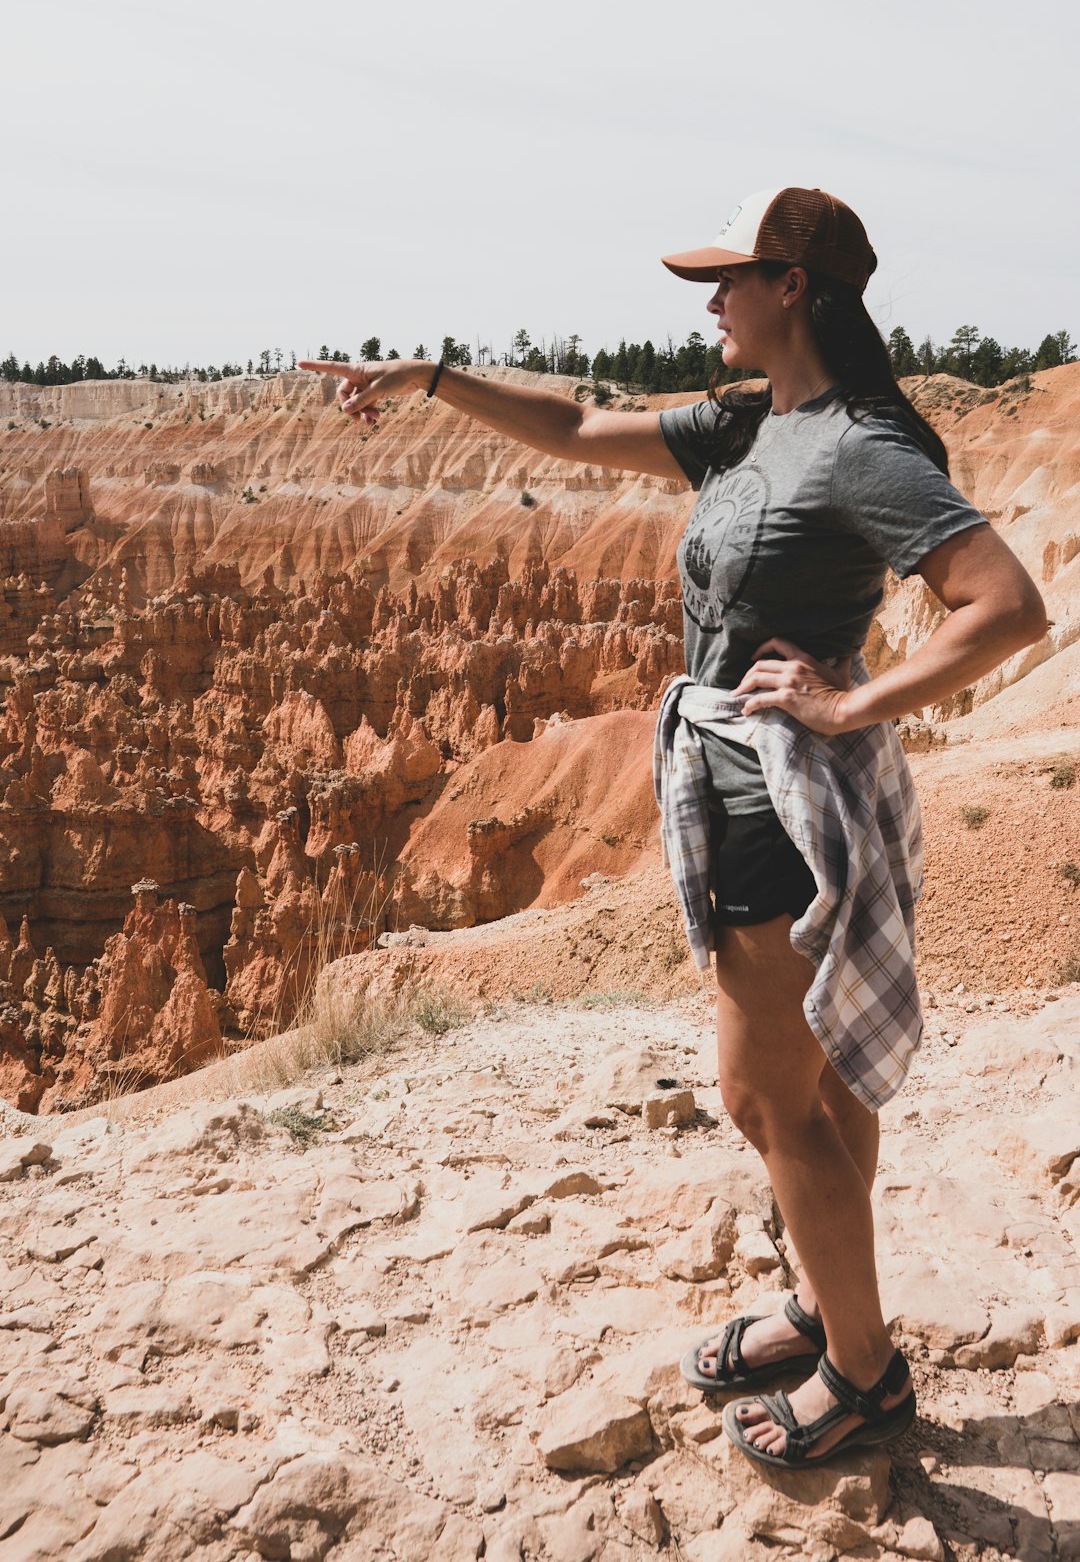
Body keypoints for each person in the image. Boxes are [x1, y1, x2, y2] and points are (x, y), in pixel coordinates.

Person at [300, 185, 1046, 1470]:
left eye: (730, 280)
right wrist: (434, 377)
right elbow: (580, 422)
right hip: (739, 775)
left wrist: (851, 697)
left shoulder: (861, 446)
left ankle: (866, 1376)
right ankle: (829, 1305)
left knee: (767, 1099)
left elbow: (1006, 603)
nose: (710, 302)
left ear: (793, 287)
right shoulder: (757, 423)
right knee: (816, 1080)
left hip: (780, 797)